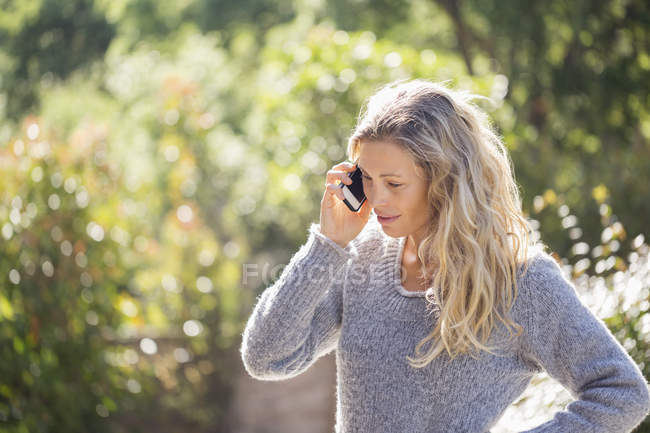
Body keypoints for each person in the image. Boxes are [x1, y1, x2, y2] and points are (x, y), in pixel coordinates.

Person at [240, 78, 650, 432]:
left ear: (445, 181)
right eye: (366, 178)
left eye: (394, 183)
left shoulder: (520, 281)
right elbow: (266, 357)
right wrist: (326, 246)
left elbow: (621, 391)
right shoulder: (360, 259)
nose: (376, 199)